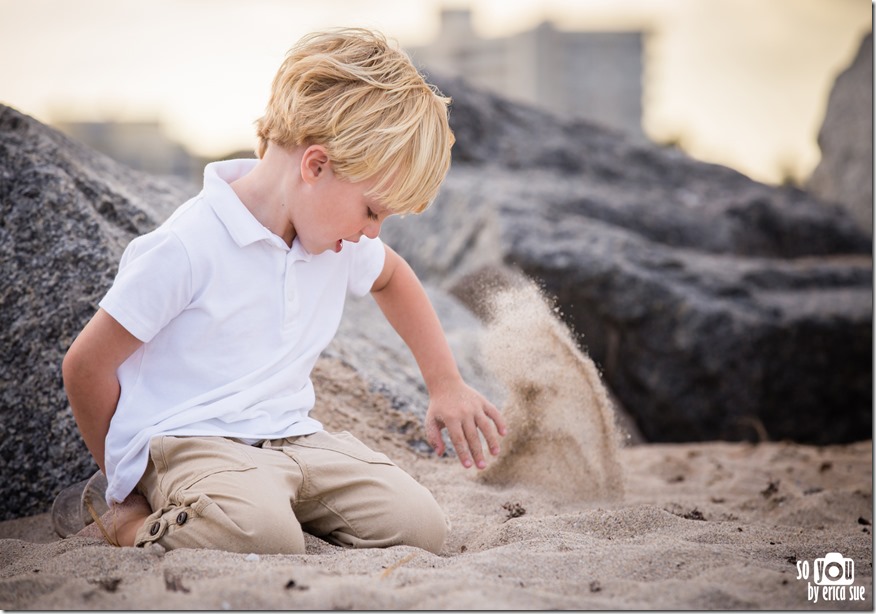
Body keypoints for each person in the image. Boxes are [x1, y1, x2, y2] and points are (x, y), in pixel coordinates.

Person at [60, 28, 506, 555]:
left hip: (297, 440)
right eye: (372, 211)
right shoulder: (188, 246)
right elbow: (85, 366)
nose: (372, 233)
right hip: (194, 444)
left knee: (419, 524)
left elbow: (393, 277)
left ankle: (271, 506)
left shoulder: (331, 239)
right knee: (261, 535)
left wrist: (445, 382)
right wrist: (125, 488)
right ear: (316, 166)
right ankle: (125, 526)